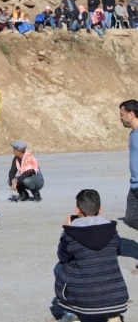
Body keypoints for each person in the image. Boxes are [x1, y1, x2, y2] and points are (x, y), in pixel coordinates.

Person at [54, 189, 128, 322]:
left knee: (59, 267)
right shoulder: (112, 231)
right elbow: (119, 251)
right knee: (105, 263)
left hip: (83, 297)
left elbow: (63, 257)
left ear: (77, 210)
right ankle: (112, 315)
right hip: (116, 297)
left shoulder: (71, 234)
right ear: (100, 210)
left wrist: (65, 231)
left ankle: (73, 314)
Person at [119, 99, 138, 233]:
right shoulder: (132, 133)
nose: (121, 117)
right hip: (134, 185)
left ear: (131, 114)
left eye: (122, 114)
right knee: (130, 219)